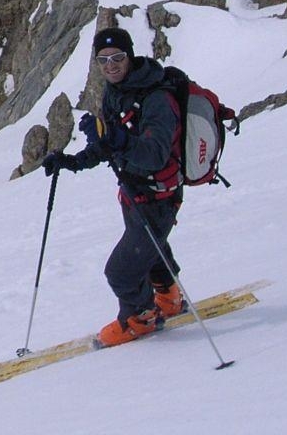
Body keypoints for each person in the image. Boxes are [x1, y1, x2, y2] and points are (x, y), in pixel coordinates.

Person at [41, 26, 190, 347]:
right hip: (134, 192)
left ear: (130, 55)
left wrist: (117, 138)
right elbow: (109, 144)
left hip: (158, 195)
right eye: (103, 59)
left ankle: (141, 318)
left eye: (118, 57)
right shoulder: (115, 92)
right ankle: (170, 299)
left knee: (122, 272)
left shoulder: (157, 98)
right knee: (151, 250)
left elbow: (153, 154)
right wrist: (71, 161)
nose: (111, 65)